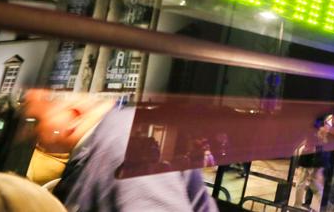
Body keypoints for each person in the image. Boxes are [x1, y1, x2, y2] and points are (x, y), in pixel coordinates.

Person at [22, 91, 214, 212]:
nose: (31, 133)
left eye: (37, 121)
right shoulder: (101, 144)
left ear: (73, 116)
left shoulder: (121, 143)